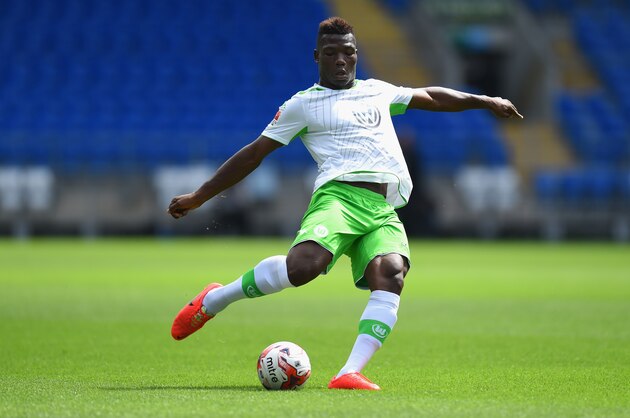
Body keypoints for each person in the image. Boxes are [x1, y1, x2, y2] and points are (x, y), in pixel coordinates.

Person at [168, 16, 523, 390]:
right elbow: (254, 153)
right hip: (339, 197)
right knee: (303, 267)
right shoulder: (302, 105)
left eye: (349, 53)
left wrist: (485, 100)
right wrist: (199, 196)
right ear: (317, 56)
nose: (341, 60)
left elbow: (430, 96)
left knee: (392, 273)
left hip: (384, 208)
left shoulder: (376, 91)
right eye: (332, 53)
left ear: (356, 55)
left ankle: (348, 372)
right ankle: (216, 299)